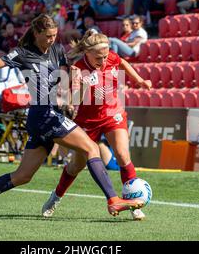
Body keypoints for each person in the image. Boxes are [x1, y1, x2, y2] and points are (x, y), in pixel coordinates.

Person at [0, 14, 145, 221]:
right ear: (37, 33)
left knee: (22, 176)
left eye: (54, 35)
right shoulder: (22, 54)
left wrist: (82, 57)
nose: (52, 39)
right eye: (48, 35)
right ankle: (113, 199)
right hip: (44, 115)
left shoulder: (57, 49)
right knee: (92, 148)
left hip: (47, 115)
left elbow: (73, 60)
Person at [41, 30, 152, 221]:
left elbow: (122, 62)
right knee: (76, 165)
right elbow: (75, 96)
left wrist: (139, 80)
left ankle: (133, 203)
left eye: (106, 56)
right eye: (98, 58)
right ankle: (56, 196)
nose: (103, 61)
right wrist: (82, 88)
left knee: (123, 156)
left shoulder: (111, 57)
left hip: (112, 113)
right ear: (87, 53)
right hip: (87, 121)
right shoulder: (77, 68)